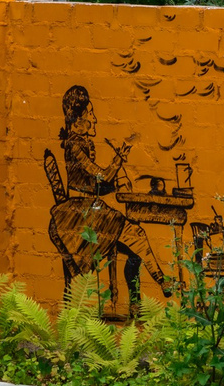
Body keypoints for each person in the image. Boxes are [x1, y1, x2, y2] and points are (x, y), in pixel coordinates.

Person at [48, 85, 164, 320]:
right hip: (81, 214)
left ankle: (140, 300)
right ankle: (162, 280)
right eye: (90, 113)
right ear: (78, 119)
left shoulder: (80, 143)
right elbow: (99, 176)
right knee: (136, 234)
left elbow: (93, 183)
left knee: (135, 247)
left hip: (91, 209)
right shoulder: (75, 145)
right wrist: (117, 161)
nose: (95, 119)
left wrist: (115, 184)